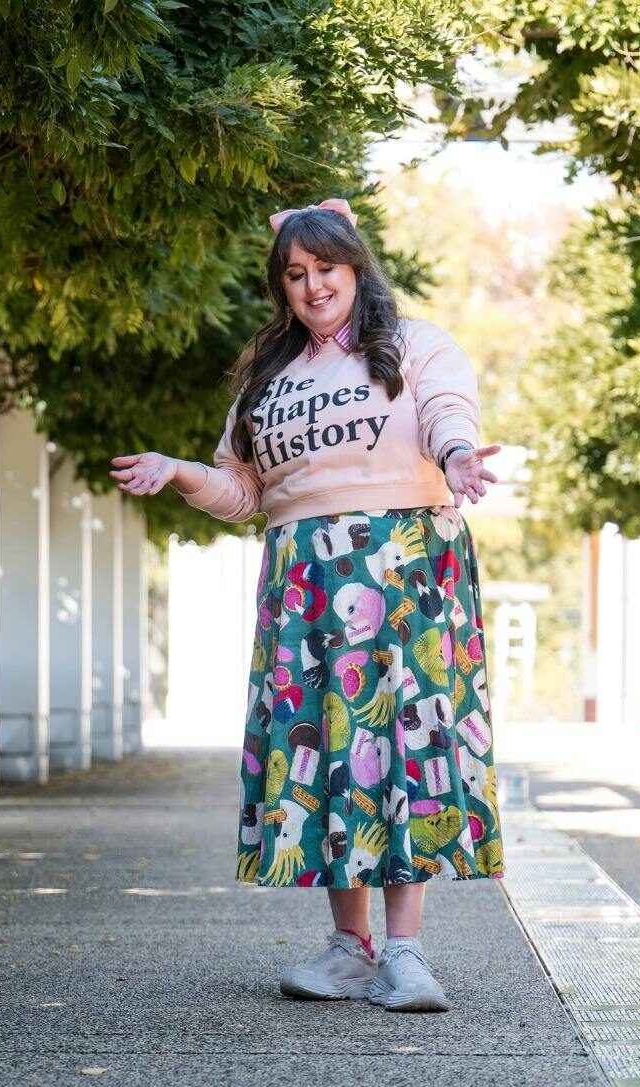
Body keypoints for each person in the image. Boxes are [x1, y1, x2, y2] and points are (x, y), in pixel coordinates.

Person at [112, 198, 503, 1012]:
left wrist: (460, 455)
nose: (313, 286)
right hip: (306, 582)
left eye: (326, 268)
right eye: (296, 274)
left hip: (404, 575)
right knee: (330, 749)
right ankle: (349, 950)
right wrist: (180, 469)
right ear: (281, 286)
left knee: (401, 747)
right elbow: (243, 489)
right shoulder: (270, 374)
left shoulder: (415, 345)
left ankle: (405, 953)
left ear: (356, 268)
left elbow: (445, 416)